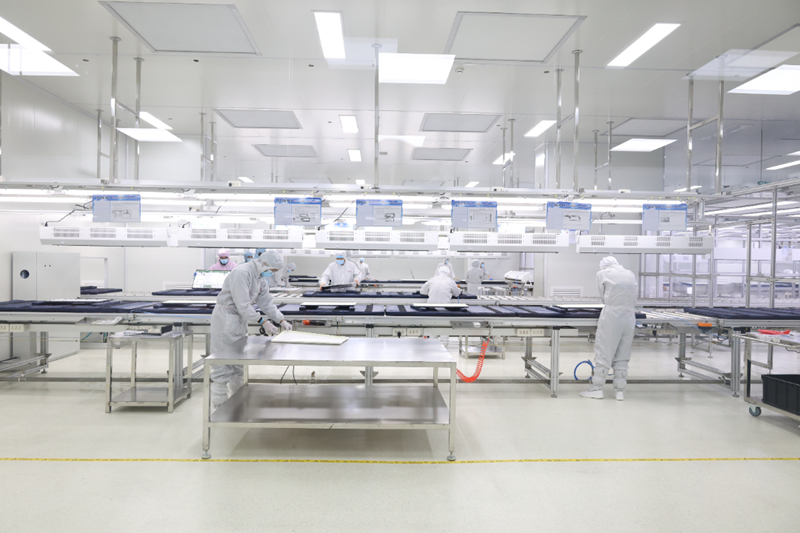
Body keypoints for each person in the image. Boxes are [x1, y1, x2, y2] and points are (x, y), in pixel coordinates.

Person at [209, 250, 292, 410]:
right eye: (272, 270)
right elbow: (243, 304)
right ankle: (219, 405)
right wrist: (263, 321)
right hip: (226, 317)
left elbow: (266, 302)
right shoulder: (242, 272)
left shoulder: (260, 277)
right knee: (223, 360)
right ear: (264, 264)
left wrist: (281, 320)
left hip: (238, 319)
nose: (272, 273)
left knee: (238, 359)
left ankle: (237, 402)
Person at [581, 256, 638, 401]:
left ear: (603, 266)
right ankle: (619, 391)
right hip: (629, 316)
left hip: (612, 315)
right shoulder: (630, 274)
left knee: (604, 351)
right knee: (623, 353)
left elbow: (603, 297)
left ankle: (596, 388)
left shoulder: (602, 274)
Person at [421, 266, 462, 347]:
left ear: (438, 272)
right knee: (445, 328)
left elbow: (422, 291)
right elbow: (457, 293)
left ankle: (432, 346)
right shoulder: (450, 281)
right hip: (445, 309)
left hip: (431, 308)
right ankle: (444, 347)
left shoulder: (432, 280)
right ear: (448, 273)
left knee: (432, 328)